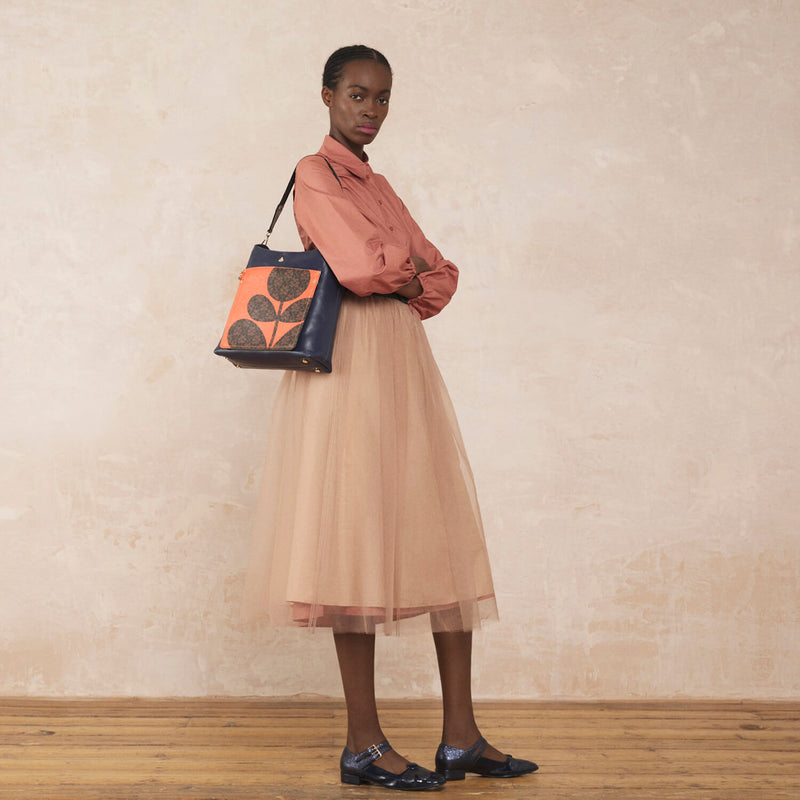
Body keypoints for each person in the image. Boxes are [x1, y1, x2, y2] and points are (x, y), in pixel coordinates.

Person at [242, 45, 538, 791]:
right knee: (354, 540)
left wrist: (398, 267)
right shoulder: (315, 174)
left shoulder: (380, 183)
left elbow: (439, 275)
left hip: (402, 364)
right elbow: (363, 267)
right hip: (351, 368)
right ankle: (363, 743)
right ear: (326, 96)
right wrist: (399, 268)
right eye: (356, 96)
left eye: (381, 99)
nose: (369, 111)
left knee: (441, 532)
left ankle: (461, 736)